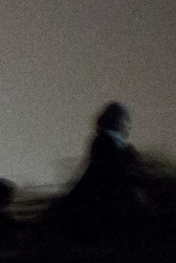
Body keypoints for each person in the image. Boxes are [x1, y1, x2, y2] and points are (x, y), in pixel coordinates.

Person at [60, 101, 145, 245]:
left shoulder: (123, 147)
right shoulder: (102, 142)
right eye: (121, 120)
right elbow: (106, 169)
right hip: (102, 194)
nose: (125, 125)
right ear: (113, 121)